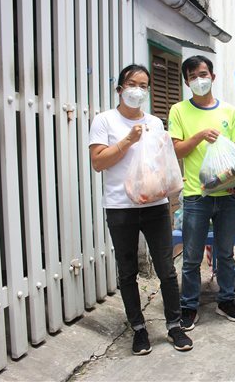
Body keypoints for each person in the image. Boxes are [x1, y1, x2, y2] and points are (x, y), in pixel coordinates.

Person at [88, 64, 193, 354]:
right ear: (120, 88)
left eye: (144, 85)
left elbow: (161, 163)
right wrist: (127, 141)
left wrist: (167, 185)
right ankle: (138, 329)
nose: (138, 90)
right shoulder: (104, 121)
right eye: (133, 84)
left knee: (166, 269)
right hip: (120, 207)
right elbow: (98, 163)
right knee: (127, 271)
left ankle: (174, 326)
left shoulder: (156, 123)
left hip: (156, 205)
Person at [168, 55, 235, 331]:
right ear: (187, 82)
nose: (198, 80)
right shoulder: (178, 111)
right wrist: (200, 135)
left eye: (203, 74)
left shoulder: (229, 111)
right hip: (194, 196)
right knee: (191, 256)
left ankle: (226, 300)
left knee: (225, 253)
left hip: (225, 195)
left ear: (213, 76)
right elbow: (176, 150)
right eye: (192, 77)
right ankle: (189, 305)